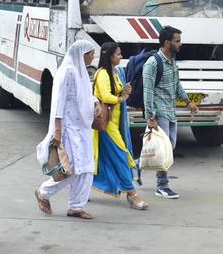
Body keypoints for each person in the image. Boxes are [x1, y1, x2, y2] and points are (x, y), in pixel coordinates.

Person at [35, 40, 101, 220]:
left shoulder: (81, 72)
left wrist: (95, 103)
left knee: (86, 168)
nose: (92, 57)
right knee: (70, 169)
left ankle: (76, 207)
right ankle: (43, 192)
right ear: (81, 54)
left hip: (83, 129)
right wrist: (57, 132)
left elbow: (86, 94)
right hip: (68, 130)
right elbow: (58, 103)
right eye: (90, 53)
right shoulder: (67, 72)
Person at [143, 26, 199, 199]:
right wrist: (150, 117)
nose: (180, 44)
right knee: (164, 151)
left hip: (170, 110)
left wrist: (188, 102)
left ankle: (133, 167)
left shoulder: (172, 60)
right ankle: (162, 186)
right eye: (177, 41)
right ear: (167, 43)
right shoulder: (153, 63)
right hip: (159, 111)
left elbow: (176, 84)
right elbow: (148, 91)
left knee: (169, 148)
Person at [92, 42, 149, 210]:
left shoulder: (115, 73)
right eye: (118, 54)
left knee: (106, 159)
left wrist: (125, 91)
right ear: (109, 56)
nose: (121, 57)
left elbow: (115, 94)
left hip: (114, 124)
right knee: (122, 157)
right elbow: (107, 97)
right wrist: (121, 98)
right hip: (107, 125)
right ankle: (132, 194)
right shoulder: (102, 74)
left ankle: (80, 187)